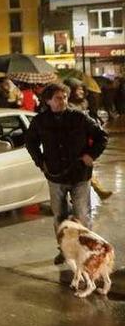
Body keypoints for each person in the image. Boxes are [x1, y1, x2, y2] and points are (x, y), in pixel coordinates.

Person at [25, 83, 108, 265]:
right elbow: (30, 142)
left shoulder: (79, 117)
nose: (62, 101)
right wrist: (41, 162)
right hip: (55, 175)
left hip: (79, 174)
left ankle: (87, 251)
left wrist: (91, 154)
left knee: (82, 214)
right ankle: (64, 250)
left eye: (64, 97)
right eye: (57, 98)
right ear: (48, 101)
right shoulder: (40, 121)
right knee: (59, 216)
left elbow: (102, 136)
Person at [65, 80, 113, 200]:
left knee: (84, 167)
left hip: (85, 140)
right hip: (72, 143)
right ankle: (95, 191)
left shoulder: (84, 103)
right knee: (80, 168)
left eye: (82, 88)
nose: (80, 91)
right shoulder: (67, 106)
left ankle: (94, 191)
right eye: (77, 89)